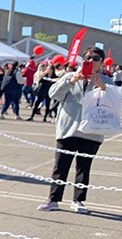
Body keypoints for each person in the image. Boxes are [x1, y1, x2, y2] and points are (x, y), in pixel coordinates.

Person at [37, 46, 112, 214]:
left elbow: (116, 100)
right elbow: (53, 94)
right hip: (68, 128)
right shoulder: (70, 76)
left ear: (101, 63)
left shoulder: (107, 81)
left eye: (95, 59)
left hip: (92, 130)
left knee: (84, 167)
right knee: (61, 165)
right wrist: (71, 81)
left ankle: (78, 200)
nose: (90, 61)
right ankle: (53, 199)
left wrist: (102, 86)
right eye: (87, 58)